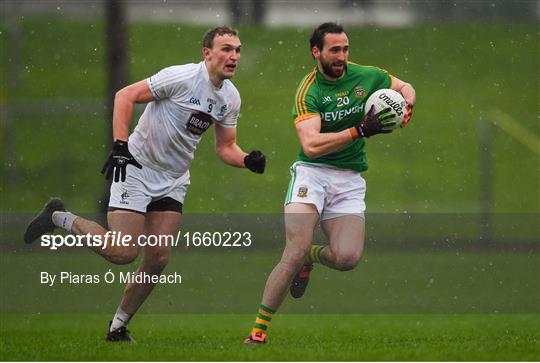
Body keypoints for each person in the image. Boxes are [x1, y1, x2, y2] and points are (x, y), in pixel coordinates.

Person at [23, 26, 266, 342]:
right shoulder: (180, 78)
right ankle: (58, 217)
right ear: (207, 53)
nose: (233, 55)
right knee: (123, 252)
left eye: (237, 49)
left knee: (158, 257)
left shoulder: (230, 98)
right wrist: (120, 146)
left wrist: (247, 160)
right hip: (136, 168)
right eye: (225, 49)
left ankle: (118, 327)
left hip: (173, 179)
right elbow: (125, 95)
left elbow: (225, 147)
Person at [244, 22, 415, 344]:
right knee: (292, 251)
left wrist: (407, 107)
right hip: (311, 173)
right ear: (316, 52)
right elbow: (311, 145)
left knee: (347, 258)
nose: (341, 56)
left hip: (349, 179)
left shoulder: (366, 75)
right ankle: (258, 332)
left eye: (345, 49)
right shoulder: (309, 91)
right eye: (334, 50)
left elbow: (405, 87)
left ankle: (312, 257)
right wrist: (359, 131)